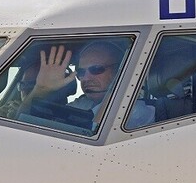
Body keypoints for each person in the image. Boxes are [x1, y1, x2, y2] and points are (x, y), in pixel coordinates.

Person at [19, 42, 154, 129]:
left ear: (118, 71)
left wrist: (121, 82)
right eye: (81, 72)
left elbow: (94, 133)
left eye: (96, 69)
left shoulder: (136, 111)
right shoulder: (83, 104)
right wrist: (41, 90)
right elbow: (23, 124)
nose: (86, 78)